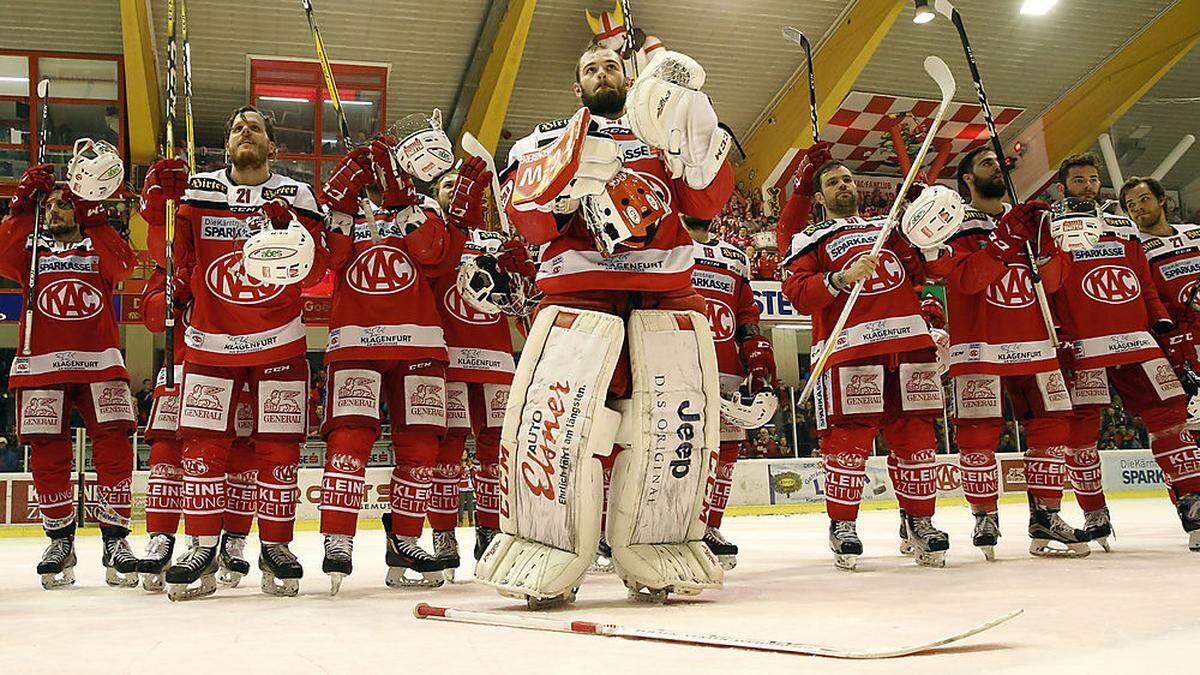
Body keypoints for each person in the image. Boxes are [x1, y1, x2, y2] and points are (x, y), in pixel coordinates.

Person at [477, 43, 734, 607]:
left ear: (629, 76)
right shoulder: (542, 138)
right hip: (579, 294)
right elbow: (529, 222)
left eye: (610, 66)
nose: (602, 74)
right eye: (590, 68)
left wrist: (704, 151)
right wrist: (560, 184)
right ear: (577, 87)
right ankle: (548, 543)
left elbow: (707, 202)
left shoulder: (661, 129)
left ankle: (657, 542)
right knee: (563, 427)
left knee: (666, 429)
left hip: (663, 294)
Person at [140, 106, 328, 599]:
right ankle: (201, 544)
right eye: (237, 127)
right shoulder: (198, 189)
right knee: (202, 445)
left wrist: (297, 239)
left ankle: (277, 546)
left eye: (256, 127)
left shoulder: (298, 194)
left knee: (280, 450)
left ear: (272, 146)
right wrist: (156, 202)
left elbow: (319, 270)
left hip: (281, 340)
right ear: (225, 145)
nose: (246, 132)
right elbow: (170, 256)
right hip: (209, 342)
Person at [314, 123, 468, 594]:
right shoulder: (348, 213)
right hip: (355, 341)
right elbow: (329, 261)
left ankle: (404, 537)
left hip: (419, 342)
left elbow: (436, 256)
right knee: (349, 442)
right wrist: (343, 198)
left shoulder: (425, 209)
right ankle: (337, 540)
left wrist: (402, 202)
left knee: (421, 447)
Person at [780, 160, 948, 570]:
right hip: (850, 347)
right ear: (819, 197)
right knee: (848, 444)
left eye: (848, 179)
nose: (844, 185)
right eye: (834, 182)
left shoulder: (889, 227)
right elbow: (797, 292)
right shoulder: (811, 237)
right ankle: (843, 526)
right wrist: (838, 278)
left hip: (907, 342)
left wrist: (929, 240)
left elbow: (925, 271)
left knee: (918, 439)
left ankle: (920, 522)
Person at [920, 147, 1088, 558]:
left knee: (1054, 426)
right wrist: (1006, 237)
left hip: (1034, 340)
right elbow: (968, 281)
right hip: (978, 343)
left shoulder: (1029, 219)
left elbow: (1051, 283)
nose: (998, 167)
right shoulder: (953, 225)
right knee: (978, 434)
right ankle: (984, 515)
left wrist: (1046, 241)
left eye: (999, 162)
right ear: (968, 180)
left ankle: (1046, 515)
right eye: (986, 164)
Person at [1050, 153, 1200, 551]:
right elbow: (1046, 284)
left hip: (1137, 337)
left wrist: (1160, 320)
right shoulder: (1048, 228)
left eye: (1093, 179)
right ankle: (1094, 512)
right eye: (1079, 180)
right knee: (1081, 432)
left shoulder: (1123, 225)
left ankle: (1193, 502)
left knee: (1171, 418)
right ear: (1063, 188)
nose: (1088, 186)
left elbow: (1142, 279)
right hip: (1083, 343)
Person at [0, 164, 138, 589]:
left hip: (100, 361)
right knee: (47, 453)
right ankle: (60, 539)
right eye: (52, 205)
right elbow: (3, 256)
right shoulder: (32, 250)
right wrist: (22, 207)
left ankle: (115, 538)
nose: (57, 210)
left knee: (114, 449)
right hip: (41, 363)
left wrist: (93, 214)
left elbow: (124, 266)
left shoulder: (99, 243)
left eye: (65, 204)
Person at [137, 265, 259, 591]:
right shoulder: (173, 258)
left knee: (242, 452)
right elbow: (150, 319)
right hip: (181, 365)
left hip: (239, 360)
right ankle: (161, 537)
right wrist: (175, 288)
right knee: (166, 451)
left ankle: (233, 538)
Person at [429, 163, 525, 577]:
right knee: (447, 451)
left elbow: (519, 299)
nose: (454, 189)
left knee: (494, 452)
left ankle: (491, 531)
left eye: (458, 183)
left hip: (494, 355)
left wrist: (520, 268)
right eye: (446, 184)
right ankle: (444, 534)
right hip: (448, 356)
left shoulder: (496, 237)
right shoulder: (433, 234)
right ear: (436, 195)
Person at [683, 216, 776, 569]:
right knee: (676, 451)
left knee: (724, 456)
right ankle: (671, 528)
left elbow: (746, 315)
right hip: (675, 367)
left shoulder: (735, 257)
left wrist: (758, 356)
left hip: (727, 374)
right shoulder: (664, 247)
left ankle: (709, 527)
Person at [1120, 175, 1200, 549]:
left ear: (1162, 200)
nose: (1138, 209)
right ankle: (1193, 509)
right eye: (1131, 205)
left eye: (1142, 200)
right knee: (1182, 430)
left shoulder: (1195, 234)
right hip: (1173, 345)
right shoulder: (1133, 246)